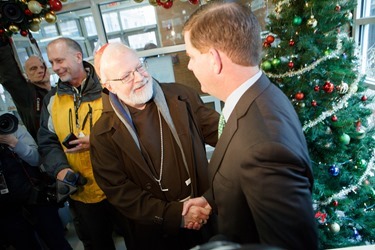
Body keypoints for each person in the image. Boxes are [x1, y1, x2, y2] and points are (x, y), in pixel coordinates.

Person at [182, 2, 318, 250]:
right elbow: (239, 173)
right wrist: (211, 199)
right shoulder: (254, 93)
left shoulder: (266, 148)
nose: (189, 66)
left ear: (214, 59)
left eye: (191, 56)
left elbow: (291, 246)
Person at [90, 42, 219, 250]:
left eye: (139, 67)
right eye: (126, 76)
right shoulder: (103, 134)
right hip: (153, 233)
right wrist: (176, 216)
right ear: (109, 86)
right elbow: (121, 193)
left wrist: (211, 198)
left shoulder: (182, 96)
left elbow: (226, 137)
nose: (140, 78)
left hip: (205, 216)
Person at [37, 37, 126, 250]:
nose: (55, 68)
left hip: (121, 188)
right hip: (82, 194)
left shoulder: (111, 90)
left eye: (59, 60)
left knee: (139, 241)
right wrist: (60, 169)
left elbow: (131, 132)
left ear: (78, 57)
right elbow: (47, 142)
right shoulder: (52, 100)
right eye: (52, 63)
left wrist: (96, 142)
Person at [0, 111, 71, 250]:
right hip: (6, 208)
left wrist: (14, 143)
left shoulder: (11, 127)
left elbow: (37, 159)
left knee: (56, 241)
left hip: (36, 197)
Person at [24, 55, 52, 140]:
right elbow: (10, 78)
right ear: (26, 75)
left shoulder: (60, 91)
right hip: (49, 147)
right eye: (33, 68)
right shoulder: (28, 95)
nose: (40, 71)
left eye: (42, 67)